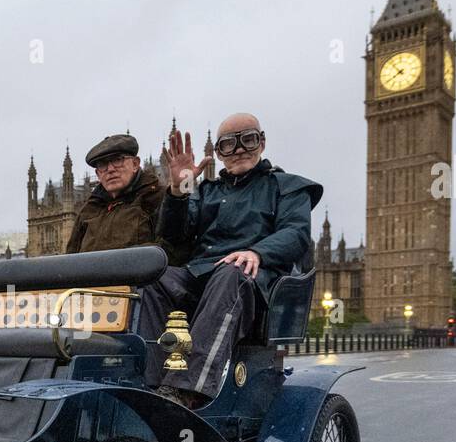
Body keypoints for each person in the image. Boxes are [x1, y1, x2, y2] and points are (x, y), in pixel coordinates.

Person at [136, 113, 320, 407]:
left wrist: (257, 252)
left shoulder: (285, 186)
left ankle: (187, 390)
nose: (238, 150)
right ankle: (154, 383)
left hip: (254, 284)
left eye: (247, 139)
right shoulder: (206, 191)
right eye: (227, 145)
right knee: (153, 279)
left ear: (262, 142)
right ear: (218, 153)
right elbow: (174, 234)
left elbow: (296, 234)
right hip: (201, 278)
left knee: (232, 273)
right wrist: (178, 190)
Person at [65, 134, 168, 255]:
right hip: (91, 274)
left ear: (135, 164)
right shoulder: (88, 210)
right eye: (103, 164)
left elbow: (172, 248)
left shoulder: (156, 197)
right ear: (98, 174)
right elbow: (70, 259)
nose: (110, 169)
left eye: (117, 160)